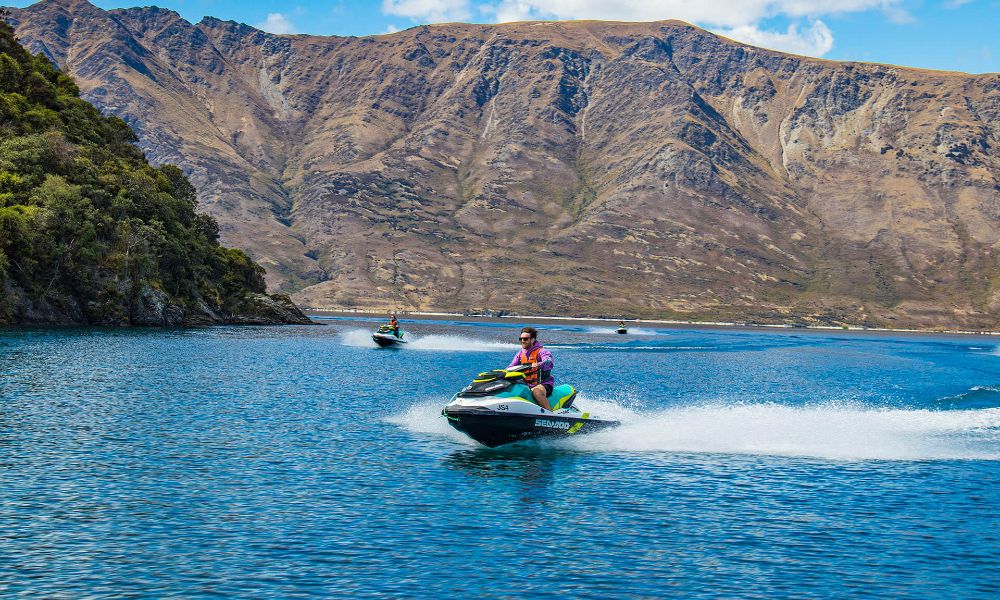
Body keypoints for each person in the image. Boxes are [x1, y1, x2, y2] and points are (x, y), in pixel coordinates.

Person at [508, 326, 554, 411]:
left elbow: (549, 361)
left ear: (532, 340)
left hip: (543, 384)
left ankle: (552, 416)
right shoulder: (520, 354)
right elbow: (510, 367)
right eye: (521, 339)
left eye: (525, 339)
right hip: (527, 384)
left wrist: (539, 364)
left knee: (536, 392)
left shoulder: (542, 351)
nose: (522, 341)